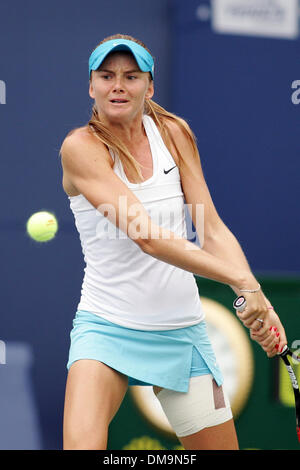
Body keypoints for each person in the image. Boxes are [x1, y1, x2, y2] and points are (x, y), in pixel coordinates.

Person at [59, 34, 287, 450]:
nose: (118, 86)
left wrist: (260, 300)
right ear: (91, 86)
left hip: (180, 332)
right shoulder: (80, 148)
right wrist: (242, 282)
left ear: (150, 85)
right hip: (106, 329)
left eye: (131, 76)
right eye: (106, 76)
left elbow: (211, 228)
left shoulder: (174, 133)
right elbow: (147, 236)